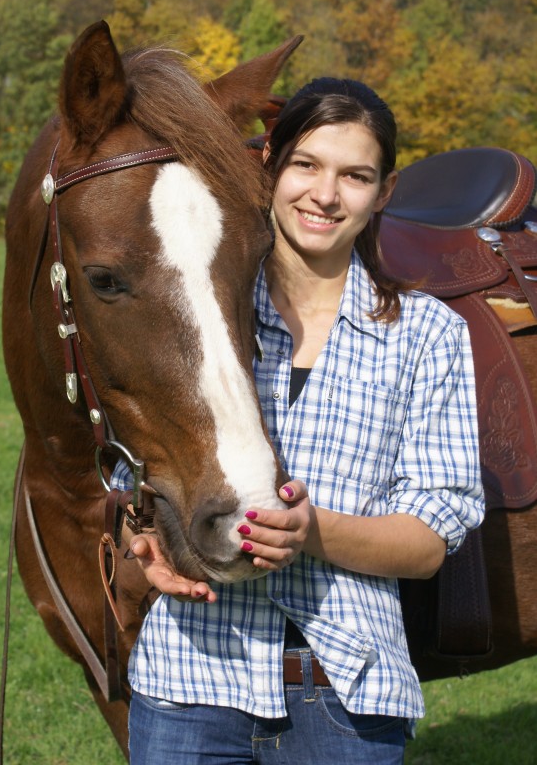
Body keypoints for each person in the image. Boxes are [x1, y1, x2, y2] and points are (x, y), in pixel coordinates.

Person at [119, 77, 484, 764]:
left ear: (385, 192)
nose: (324, 194)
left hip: (345, 696)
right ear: (268, 166)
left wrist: (311, 532)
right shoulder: (198, 313)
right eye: (305, 165)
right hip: (189, 680)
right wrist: (141, 542)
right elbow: (136, 469)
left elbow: (430, 540)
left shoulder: (426, 336)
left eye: (354, 175)